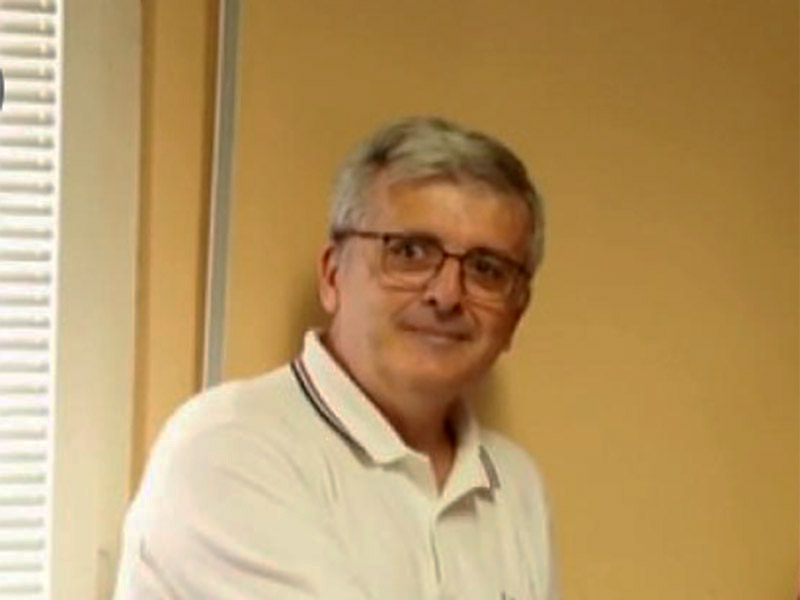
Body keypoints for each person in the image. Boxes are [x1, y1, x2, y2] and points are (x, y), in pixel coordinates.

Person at [113, 116, 559, 599]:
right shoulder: (229, 447)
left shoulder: (515, 483)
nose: (447, 294)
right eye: (410, 252)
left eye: (487, 269)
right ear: (332, 276)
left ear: (516, 313)